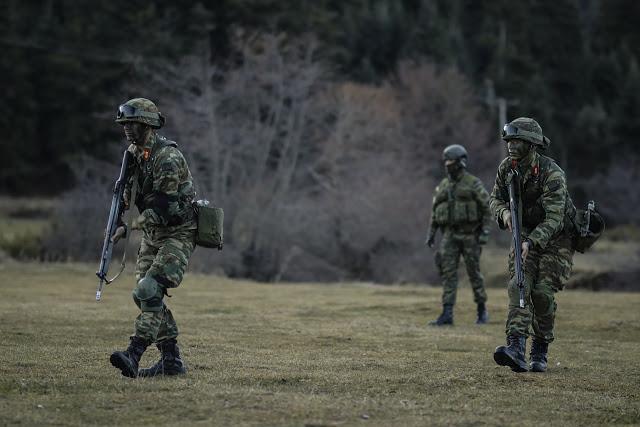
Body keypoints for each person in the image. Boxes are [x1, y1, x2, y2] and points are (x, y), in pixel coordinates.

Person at [109, 98, 197, 378]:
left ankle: (133, 353)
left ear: (147, 124)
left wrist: (133, 226)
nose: (127, 129)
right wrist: (119, 221)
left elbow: (164, 207)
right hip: (153, 233)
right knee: (145, 297)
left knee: (149, 289)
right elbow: (128, 193)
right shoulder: (134, 154)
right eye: (125, 124)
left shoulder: (168, 158)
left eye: (132, 123)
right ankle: (171, 362)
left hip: (178, 232)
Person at [490, 117, 574, 373]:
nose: (511, 145)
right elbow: (495, 199)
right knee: (520, 285)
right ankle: (515, 347)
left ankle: (540, 348)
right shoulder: (507, 168)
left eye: (517, 141)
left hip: (556, 239)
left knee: (542, 293)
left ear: (532, 144)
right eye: (509, 140)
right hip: (523, 234)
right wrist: (503, 214)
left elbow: (555, 218)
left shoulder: (552, 173)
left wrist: (532, 241)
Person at [425, 144, 491, 326]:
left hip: (470, 236)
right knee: (448, 274)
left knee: (474, 273)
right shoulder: (443, 186)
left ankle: (482, 311)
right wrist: (431, 234)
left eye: (451, 161)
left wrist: (484, 232)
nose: (447, 164)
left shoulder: (473, 183)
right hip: (449, 236)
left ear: (461, 162)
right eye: (445, 161)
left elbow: (487, 209)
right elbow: (435, 211)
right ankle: (447, 314)